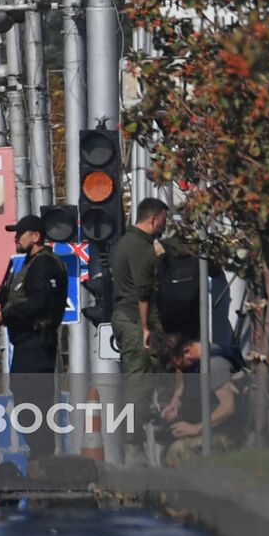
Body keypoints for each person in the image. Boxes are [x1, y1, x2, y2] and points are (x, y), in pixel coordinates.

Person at [0, 214, 67, 457]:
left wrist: (6, 315)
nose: (15, 238)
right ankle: (39, 453)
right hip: (25, 343)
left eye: (20, 233)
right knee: (25, 402)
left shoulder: (45, 264)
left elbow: (39, 301)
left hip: (37, 342)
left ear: (36, 236)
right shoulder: (30, 264)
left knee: (34, 403)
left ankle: (43, 455)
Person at [110, 197, 169, 461]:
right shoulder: (139, 247)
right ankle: (133, 447)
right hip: (136, 320)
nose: (164, 225)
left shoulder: (129, 242)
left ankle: (137, 444)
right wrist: (146, 326)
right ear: (154, 218)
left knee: (143, 381)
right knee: (139, 383)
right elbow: (144, 289)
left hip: (131, 317)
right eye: (164, 220)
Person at [159, 335, 244, 465]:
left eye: (179, 364)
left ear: (187, 351)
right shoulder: (194, 364)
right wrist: (176, 404)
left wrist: (196, 428)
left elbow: (228, 406)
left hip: (227, 433)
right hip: (208, 428)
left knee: (178, 451)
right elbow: (183, 387)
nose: (179, 369)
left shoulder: (215, 365)